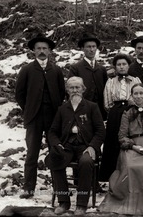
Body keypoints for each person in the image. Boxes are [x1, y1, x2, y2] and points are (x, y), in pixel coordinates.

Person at [98, 83, 143, 215]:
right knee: (131, 166)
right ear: (131, 96)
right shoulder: (127, 113)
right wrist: (134, 146)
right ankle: (130, 204)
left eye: (141, 93)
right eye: (135, 94)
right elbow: (122, 136)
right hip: (132, 146)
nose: (138, 96)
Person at [45, 77, 106, 215]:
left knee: (86, 162)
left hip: (85, 146)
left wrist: (92, 147)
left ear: (83, 89)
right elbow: (52, 131)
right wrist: (57, 144)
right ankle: (63, 201)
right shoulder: (62, 109)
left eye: (77, 87)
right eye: (71, 88)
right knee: (55, 160)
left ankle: (81, 204)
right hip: (67, 146)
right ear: (67, 90)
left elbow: (100, 131)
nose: (75, 90)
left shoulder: (92, 107)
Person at [15, 34, 65, 199]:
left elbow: (61, 92)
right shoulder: (27, 70)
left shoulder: (56, 70)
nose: (42, 51)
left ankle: (59, 190)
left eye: (45, 48)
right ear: (33, 51)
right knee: (32, 154)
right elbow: (19, 94)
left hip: (53, 119)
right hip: (34, 119)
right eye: (38, 49)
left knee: (56, 153)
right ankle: (28, 188)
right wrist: (29, 109)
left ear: (50, 51)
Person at [99, 53, 141, 181]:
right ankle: (111, 176)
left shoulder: (135, 80)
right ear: (115, 67)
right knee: (113, 142)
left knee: (130, 140)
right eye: (119, 65)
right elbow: (107, 103)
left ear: (129, 66)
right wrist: (116, 111)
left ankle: (130, 176)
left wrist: (132, 104)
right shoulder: (110, 81)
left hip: (132, 112)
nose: (122, 67)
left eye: (124, 64)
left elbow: (141, 96)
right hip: (115, 113)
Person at [68, 32, 108, 120]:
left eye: (94, 47)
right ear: (83, 48)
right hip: (83, 109)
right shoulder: (76, 68)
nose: (91, 49)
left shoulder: (101, 69)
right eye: (88, 47)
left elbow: (106, 89)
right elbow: (71, 90)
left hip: (100, 110)